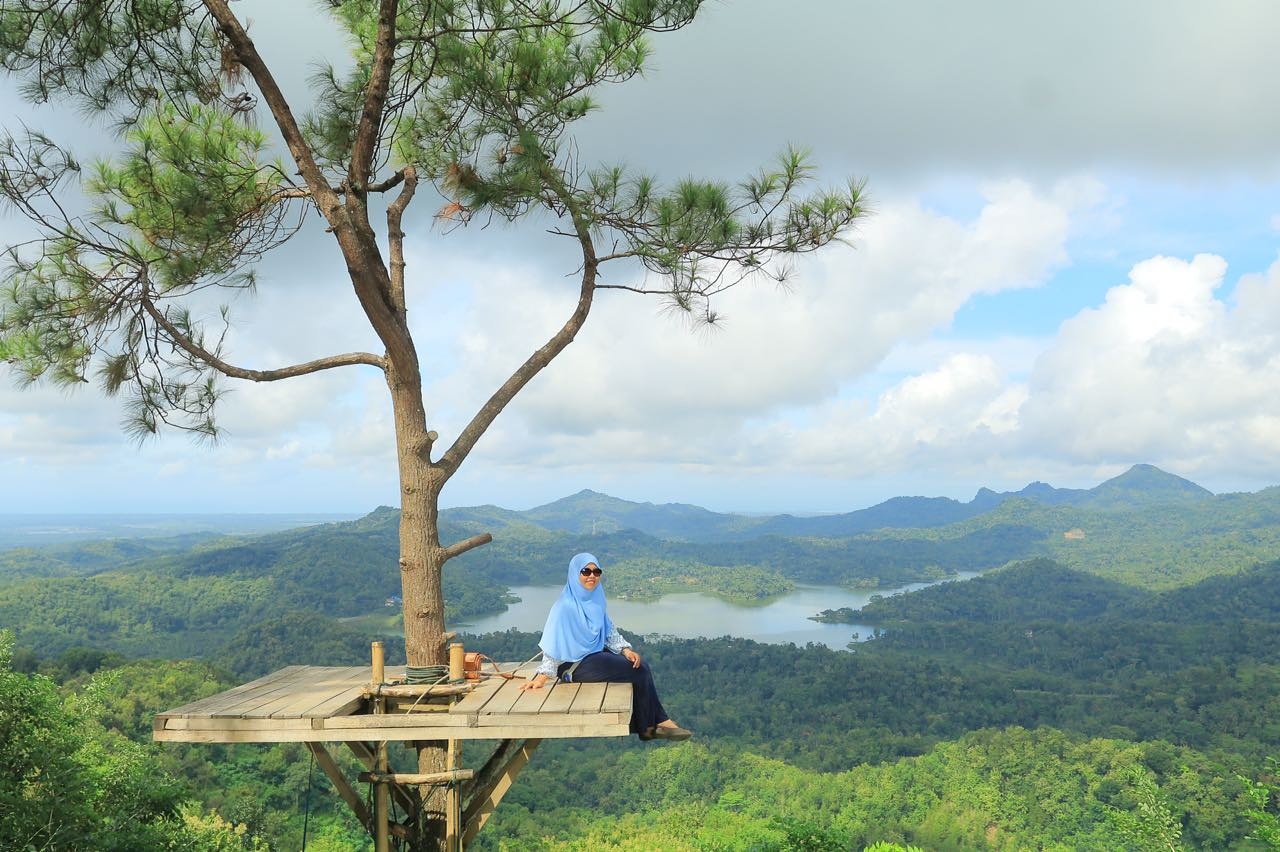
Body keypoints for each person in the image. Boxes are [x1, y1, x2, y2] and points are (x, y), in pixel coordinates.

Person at [519, 552, 692, 741]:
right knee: (640, 670)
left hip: (592, 655)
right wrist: (542, 678)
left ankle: (655, 723)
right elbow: (553, 644)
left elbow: (608, 631)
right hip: (573, 664)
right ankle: (651, 727)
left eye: (596, 571)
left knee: (638, 664)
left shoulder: (595, 599)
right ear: (574, 574)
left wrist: (625, 650)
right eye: (585, 571)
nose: (592, 575)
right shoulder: (564, 606)